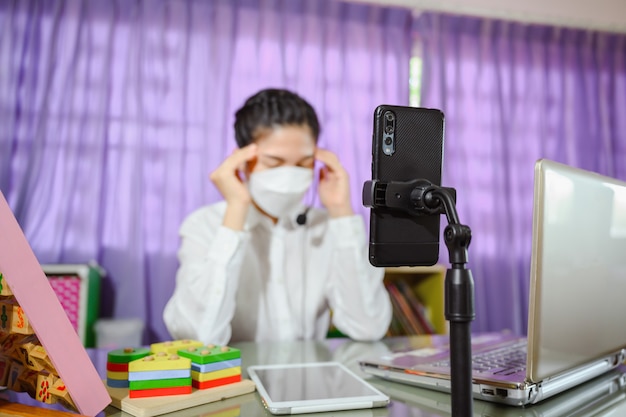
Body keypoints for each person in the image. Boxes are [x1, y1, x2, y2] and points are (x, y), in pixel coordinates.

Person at [163, 88, 392, 345]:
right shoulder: (204, 225)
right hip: (236, 381)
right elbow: (199, 338)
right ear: (242, 158)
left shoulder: (326, 227)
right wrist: (237, 208)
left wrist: (341, 211)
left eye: (303, 163)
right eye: (273, 162)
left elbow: (369, 327)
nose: (290, 175)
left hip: (307, 382)